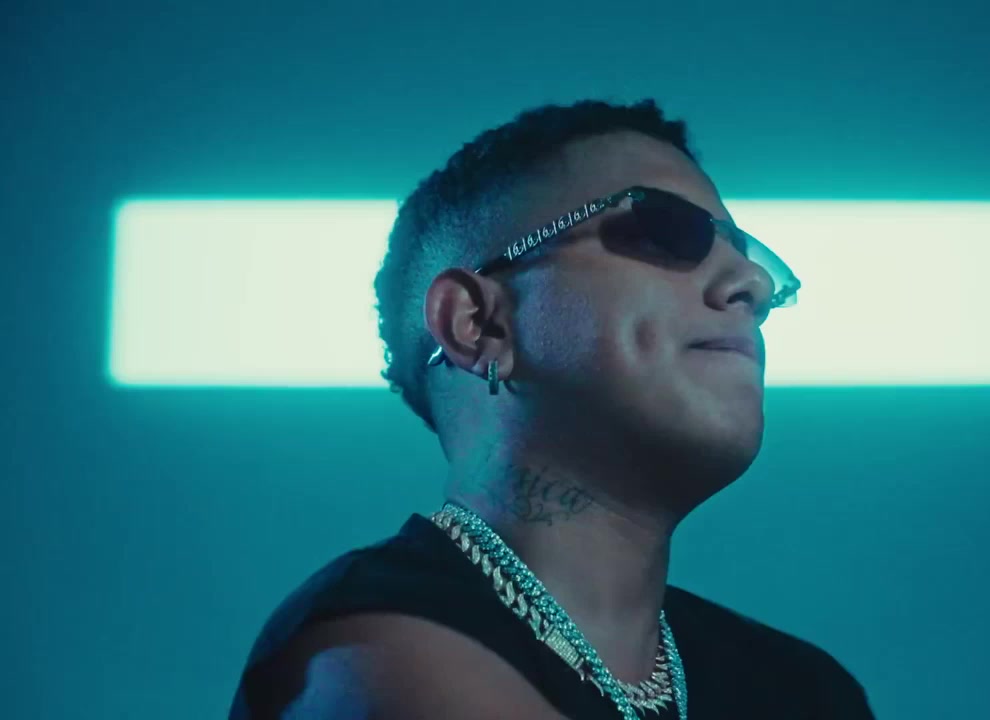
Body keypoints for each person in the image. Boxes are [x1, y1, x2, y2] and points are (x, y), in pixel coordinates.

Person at [230, 98, 876, 719]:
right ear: (478, 324)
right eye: (668, 229)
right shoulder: (364, 652)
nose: (753, 285)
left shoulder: (804, 689)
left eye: (748, 256)